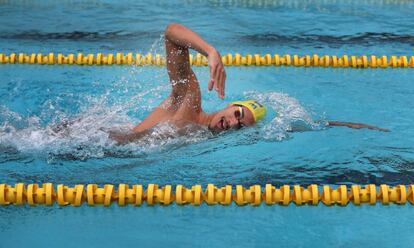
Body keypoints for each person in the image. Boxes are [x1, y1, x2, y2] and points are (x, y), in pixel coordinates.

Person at [110, 23, 388, 143]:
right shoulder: (190, 101)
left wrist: (342, 125)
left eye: (240, 125)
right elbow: (171, 33)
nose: (233, 123)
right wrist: (210, 51)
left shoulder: (201, 135)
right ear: (231, 106)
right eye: (237, 115)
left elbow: (290, 126)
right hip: (92, 141)